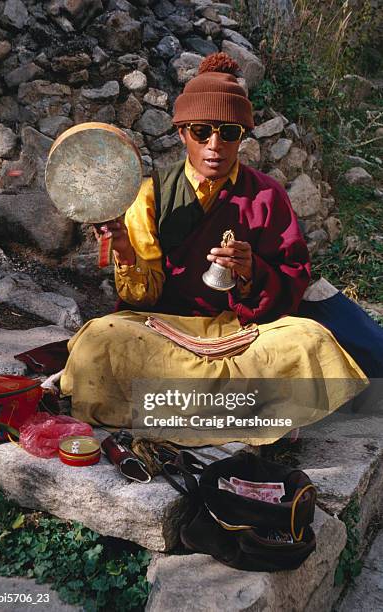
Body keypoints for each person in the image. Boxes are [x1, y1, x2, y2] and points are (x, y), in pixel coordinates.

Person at [60, 53, 367, 446]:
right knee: (100, 338)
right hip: (166, 329)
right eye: (202, 132)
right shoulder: (151, 194)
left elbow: (294, 275)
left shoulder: (266, 195)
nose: (215, 146)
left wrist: (252, 272)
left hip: (241, 330)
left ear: (243, 135)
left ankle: (162, 407)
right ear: (182, 133)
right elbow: (142, 296)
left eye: (230, 133)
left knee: (310, 339)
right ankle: (253, 413)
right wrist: (125, 250)